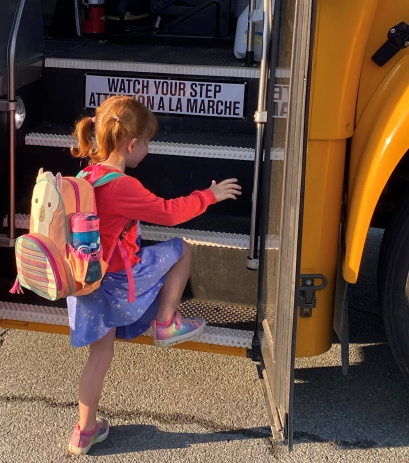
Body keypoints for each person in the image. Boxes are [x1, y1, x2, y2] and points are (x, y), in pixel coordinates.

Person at [66, 95, 241, 455]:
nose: (148, 148)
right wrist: (210, 194)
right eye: (148, 143)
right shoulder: (122, 186)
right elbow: (170, 212)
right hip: (115, 280)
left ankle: (85, 431)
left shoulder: (88, 174)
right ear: (132, 145)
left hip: (88, 279)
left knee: (99, 357)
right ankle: (166, 323)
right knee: (180, 249)